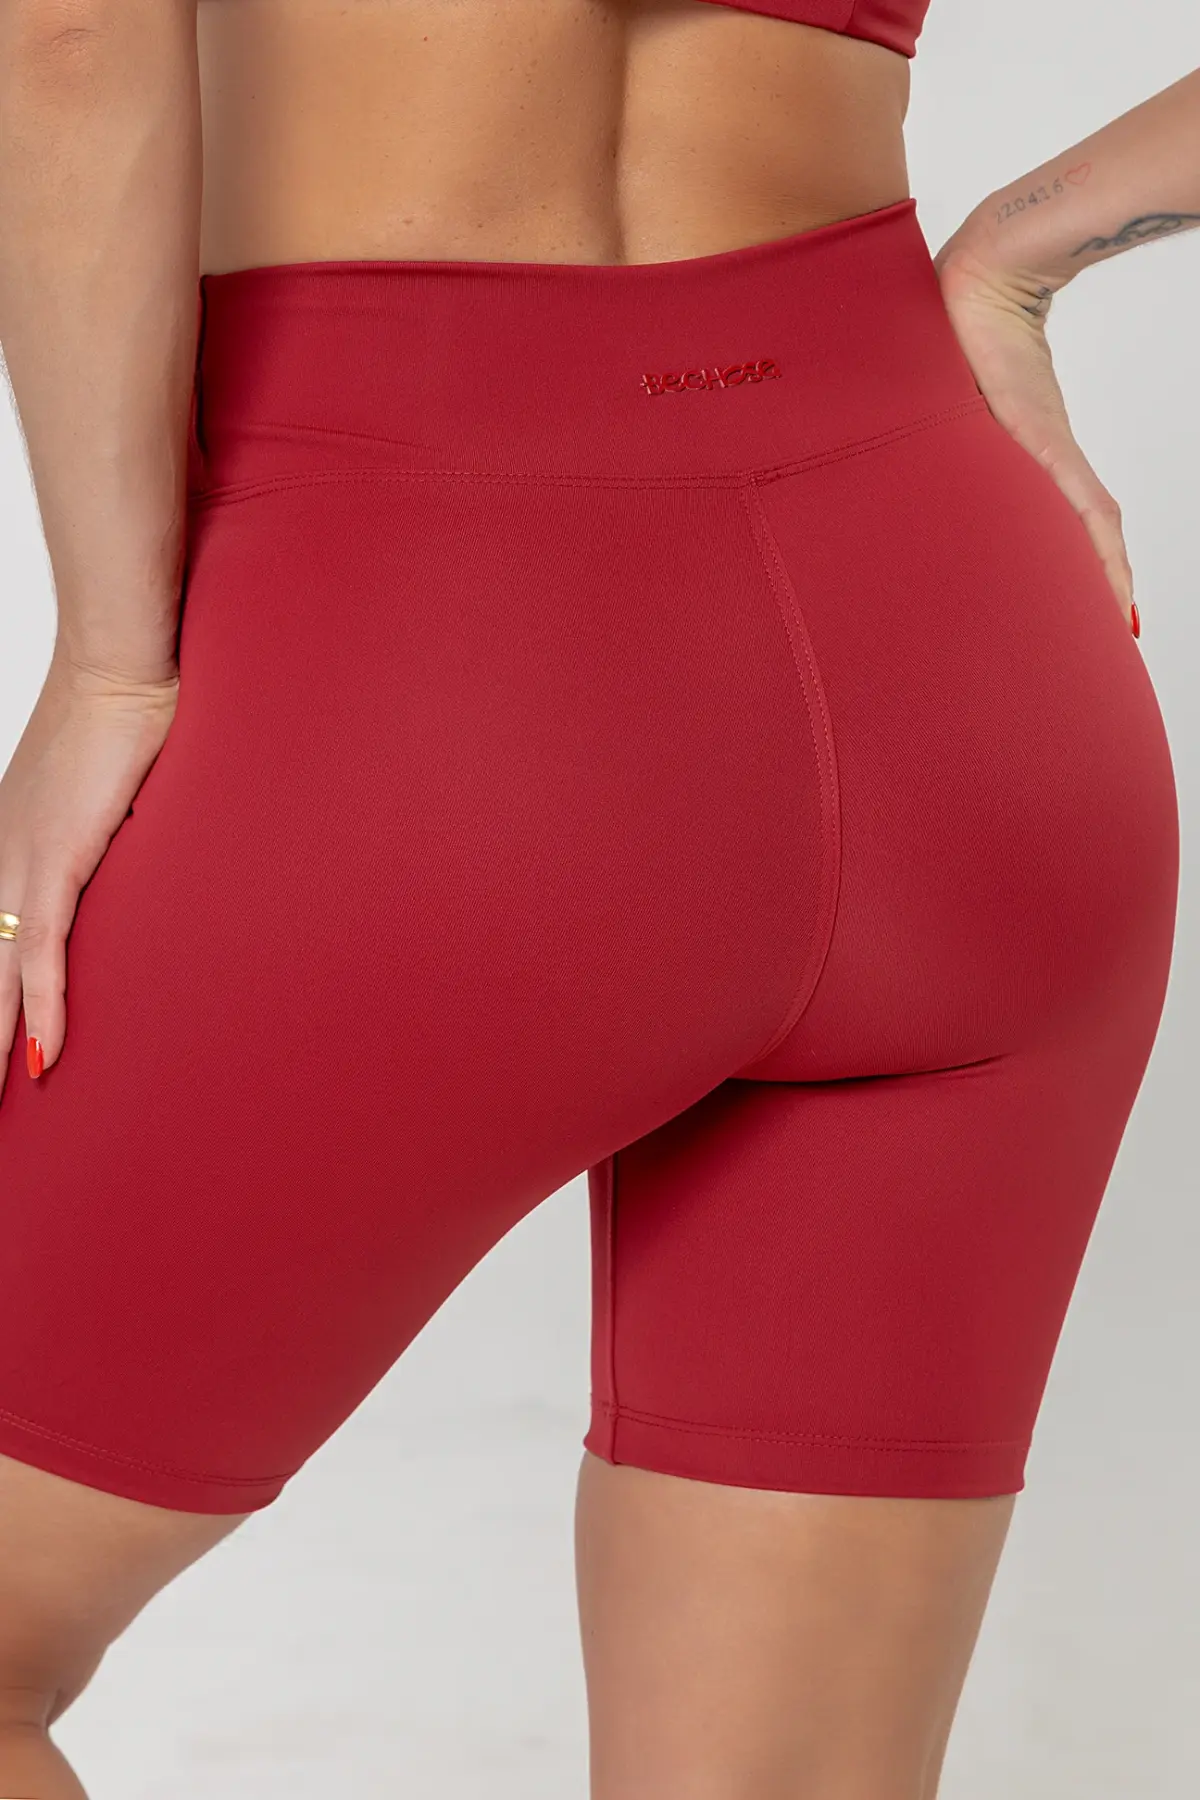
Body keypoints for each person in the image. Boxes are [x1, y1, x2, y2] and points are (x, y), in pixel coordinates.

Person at [0, 1, 1189, 1793]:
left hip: (432, 654)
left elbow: (72, 34)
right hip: (970, 651)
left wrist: (109, 663)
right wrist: (1021, 251)